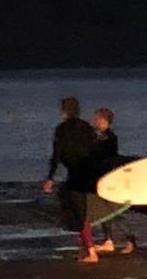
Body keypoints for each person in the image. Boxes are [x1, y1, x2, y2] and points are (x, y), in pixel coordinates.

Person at [42, 97, 98, 263]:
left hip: (75, 173)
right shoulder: (88, 128)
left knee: (77, 212)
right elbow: (95, 150)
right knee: (86, 211)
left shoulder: (61, 129)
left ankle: (90, 251)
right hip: (90, 171)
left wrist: (50, 177)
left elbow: (57, 155)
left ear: (64, 111)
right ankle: (87, 248)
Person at [86, 107, 136, 255]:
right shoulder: (101, 136)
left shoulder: (109, 137)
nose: (94, 121)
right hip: (100, 177)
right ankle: (109, 240)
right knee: (104, 212)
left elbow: (104, 156)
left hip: (107, 178)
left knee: (112, 212)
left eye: (97, 119)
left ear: (104, 120)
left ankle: (129, 238)